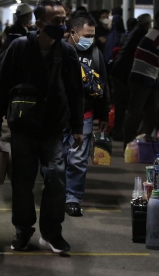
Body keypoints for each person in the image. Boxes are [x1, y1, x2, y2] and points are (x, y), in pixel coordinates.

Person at [0, 0, 84, 253]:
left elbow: (75, 91)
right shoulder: (18, 48)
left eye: (65, 20)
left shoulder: (67, 52)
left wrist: (76, 126)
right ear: (39, 23)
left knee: (56, 176)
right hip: (22, 128)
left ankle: (52, 233)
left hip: (53, 128)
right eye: (57, 21)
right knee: (21, 182)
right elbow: (1, 87)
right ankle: (23, 229)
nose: (64, 26)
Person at [63, 13, 110, 217]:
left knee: (78, 159)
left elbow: (103, 87)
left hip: (85, 116)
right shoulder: (58, 51)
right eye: (86, 35)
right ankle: (56, 193)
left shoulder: (95, 54)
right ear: (73, 33)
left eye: (92, 35)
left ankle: (72, 197)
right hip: (58, 115)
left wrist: (104, 115)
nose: (89, 39)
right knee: (55, 157)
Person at [122, 10, 159, 148]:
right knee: (136, 113)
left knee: (153, 112)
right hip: (141, 79)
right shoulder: (158, 36)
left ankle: (139, 140)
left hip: (148, 79)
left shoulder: (154, 34)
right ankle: (129, 144)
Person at [109, 13, 152, 141]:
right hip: (122, 74)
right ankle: (120, 133)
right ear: (148, 24)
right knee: (123, 105)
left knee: (121, 105)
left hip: (119, 71)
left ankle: (118, 132)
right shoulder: (141, 34)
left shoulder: (135, 32)